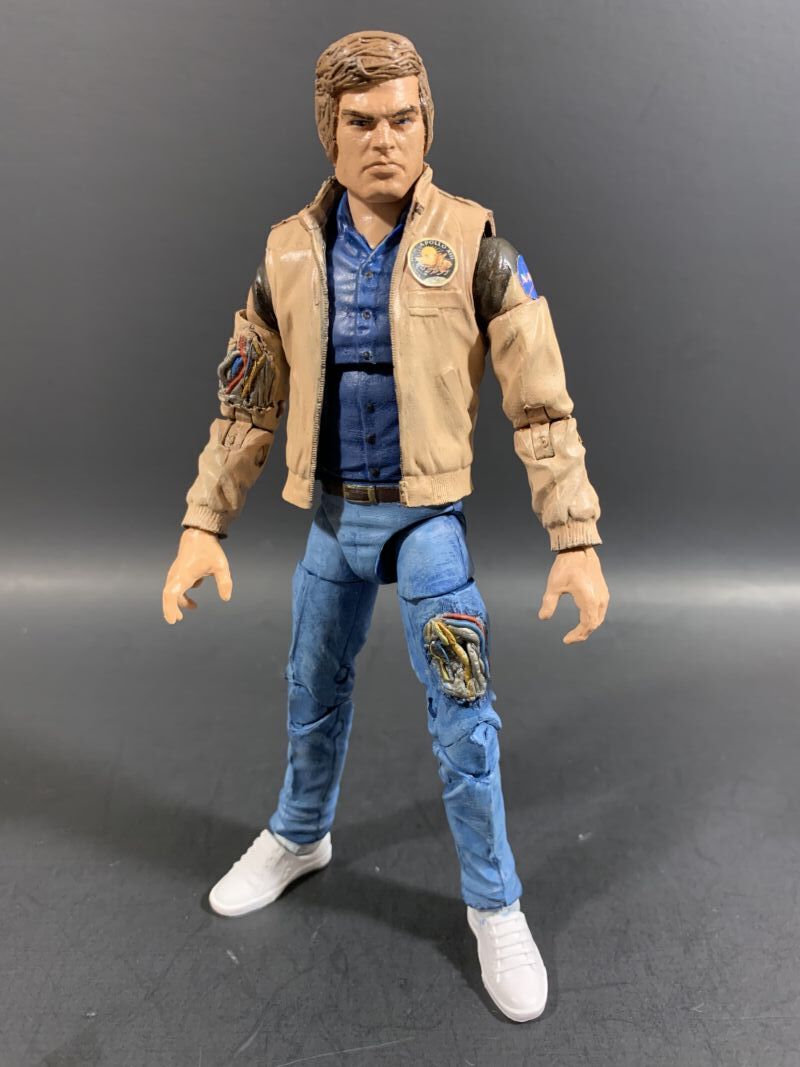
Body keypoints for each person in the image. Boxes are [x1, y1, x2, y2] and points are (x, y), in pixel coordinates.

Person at [162, 29, 609, 1023]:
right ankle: (299, 831)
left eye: (402, 118)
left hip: (427, 526)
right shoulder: (287, 253)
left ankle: (493, 900)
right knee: (308, 692)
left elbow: (541, 405)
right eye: (360, 121)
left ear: (426, 124)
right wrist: (204, 522)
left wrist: (573, 537)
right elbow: (245, 400)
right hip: (331, 521)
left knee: (464, 713)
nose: (383, 139)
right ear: (329, 130)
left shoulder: (477, 244)